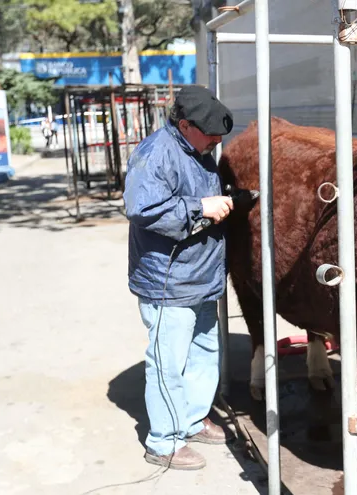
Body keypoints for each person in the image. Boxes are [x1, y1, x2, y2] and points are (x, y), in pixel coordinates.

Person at [123, 85, 235, 470]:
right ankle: (164, 441)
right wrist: (200, 207)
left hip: (200, 277)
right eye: (210, 133)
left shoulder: (197, 150)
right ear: (184, 125)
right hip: (168, 280)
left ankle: (190, 420)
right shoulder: (157, 153)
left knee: (204, 352)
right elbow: (142, 208)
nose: (217, 140)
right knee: (168, 362)